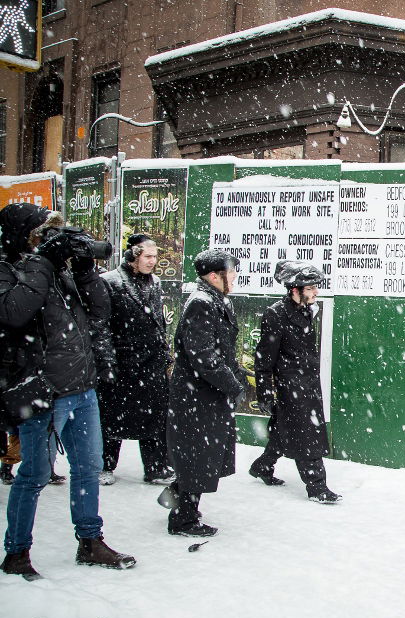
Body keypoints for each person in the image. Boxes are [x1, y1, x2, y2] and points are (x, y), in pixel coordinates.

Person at [0, 203, 135, 579]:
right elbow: (14, 312)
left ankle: (90, 540)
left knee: (88, 468)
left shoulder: (59, 271)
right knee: (35, 475)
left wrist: (86, 271)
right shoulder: (10, 269)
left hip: (82, 387)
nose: (49, 239)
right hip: (43, 390)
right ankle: (17, 552)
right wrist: (43, 261)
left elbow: (100, 310)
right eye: (41, 233)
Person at [161, 249, 244, 537]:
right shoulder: (201, 303)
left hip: (208, 394)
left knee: (204, 455)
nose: (234, 275)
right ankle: (183, 518)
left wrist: (237, 378)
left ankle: (183, 502)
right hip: (195, 396)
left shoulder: (217, 301)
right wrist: (231, 384)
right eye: (230, 271)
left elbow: (224, 350)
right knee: (198, 455)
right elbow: (204, 356)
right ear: (213, 276)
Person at [247, 261, 340, 503]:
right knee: (307, 434)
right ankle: (317, 486)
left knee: (284, 429)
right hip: (291, 387)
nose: (316, 292)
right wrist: (265, 392)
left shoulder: (305, 310)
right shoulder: (276, 314)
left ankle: (263, 466)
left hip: (307, 383)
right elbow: (264, 357)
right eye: (311, 288)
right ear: (295, 289)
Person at [98, 233, 175, 486]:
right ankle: (105, 465)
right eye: (148, 256)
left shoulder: (155, 282)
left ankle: (155, 467)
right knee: (112, 416)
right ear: (133, 255)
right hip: (122, 361)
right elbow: (102, 326)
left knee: (155, 416)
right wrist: (107, 361)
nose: (153, 261)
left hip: (151, 361)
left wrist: (164, 354)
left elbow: (158, 322)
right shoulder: (110, 282)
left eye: (155, 256)